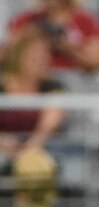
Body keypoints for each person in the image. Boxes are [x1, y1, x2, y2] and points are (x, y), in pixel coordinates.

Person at [0, 28, 66, 171]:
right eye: (35, 55)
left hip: (37, 149)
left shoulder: (52, 87)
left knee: (34, 167)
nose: (42, 60)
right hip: (3, 149)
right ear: (19, 57)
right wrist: (2, 141)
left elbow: (50, 123)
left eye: (45, 55)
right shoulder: (2, 85)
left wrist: (31, 147)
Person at [4, 0, 99, 72]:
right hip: (33, 81)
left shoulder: (86, 21)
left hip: (75, 78)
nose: (51, 0)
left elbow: (97, 60)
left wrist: (68, 47)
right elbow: (6, 53)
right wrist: (30, 37)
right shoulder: (28, 20)